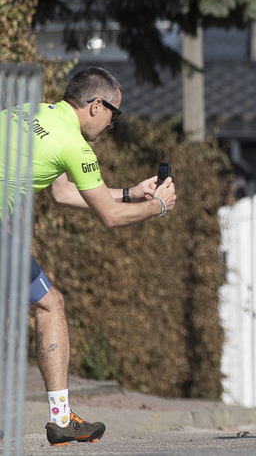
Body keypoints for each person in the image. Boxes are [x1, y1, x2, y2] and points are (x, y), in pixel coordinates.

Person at [0, 67, 177, 445]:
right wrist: (159, 205)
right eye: (115, 113)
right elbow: (109, 218)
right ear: (96, 105)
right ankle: (61, 419)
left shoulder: (30, 111)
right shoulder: (75, 146)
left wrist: (130, 193)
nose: (112, 124)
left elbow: (63, 193)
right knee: (50, 305)